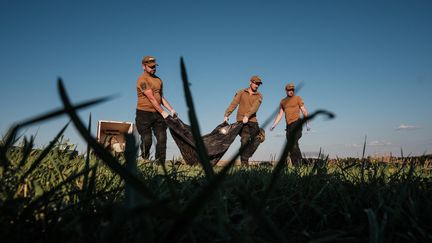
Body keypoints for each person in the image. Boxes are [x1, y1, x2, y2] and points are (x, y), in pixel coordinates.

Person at [135, 56, 176, 164]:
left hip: (158, 114)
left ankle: (160, 163)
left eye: (154, 66)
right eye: (151, 67)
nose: (153, 68)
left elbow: (160, 97)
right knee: (147, 140)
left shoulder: (158, 80)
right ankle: (144, 158)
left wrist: (171, 110)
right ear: (143, 66)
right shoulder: (142, 80)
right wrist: (163, 112)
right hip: (144, 113)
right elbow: (151, 98)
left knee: (162, 138)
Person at [224, 75, 263, 165]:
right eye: (255, 83)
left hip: (252, 121)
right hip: (241, 121)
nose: (257, 86)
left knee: (258, 138)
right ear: (250, 82)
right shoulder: (241, 92)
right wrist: (227, 114)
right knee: (244, 140)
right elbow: (234, 104)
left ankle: (244, 156)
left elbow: (255, 107)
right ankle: (244, 166)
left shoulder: (259, 95)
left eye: (258, 84)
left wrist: (247, 116)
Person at [270, 83, 310, 165]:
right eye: (289, 90)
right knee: (291, 145)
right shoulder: (283, 101)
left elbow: (304, 111)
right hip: (288, 126)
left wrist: (307, 123)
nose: (291, 91)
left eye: (292, 90)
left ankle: (299, 164)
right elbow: (280, 114)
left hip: (297, 123)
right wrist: (274, 125)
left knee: (293, 142)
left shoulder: (297, 98)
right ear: (286, 91)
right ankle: (298, 165)